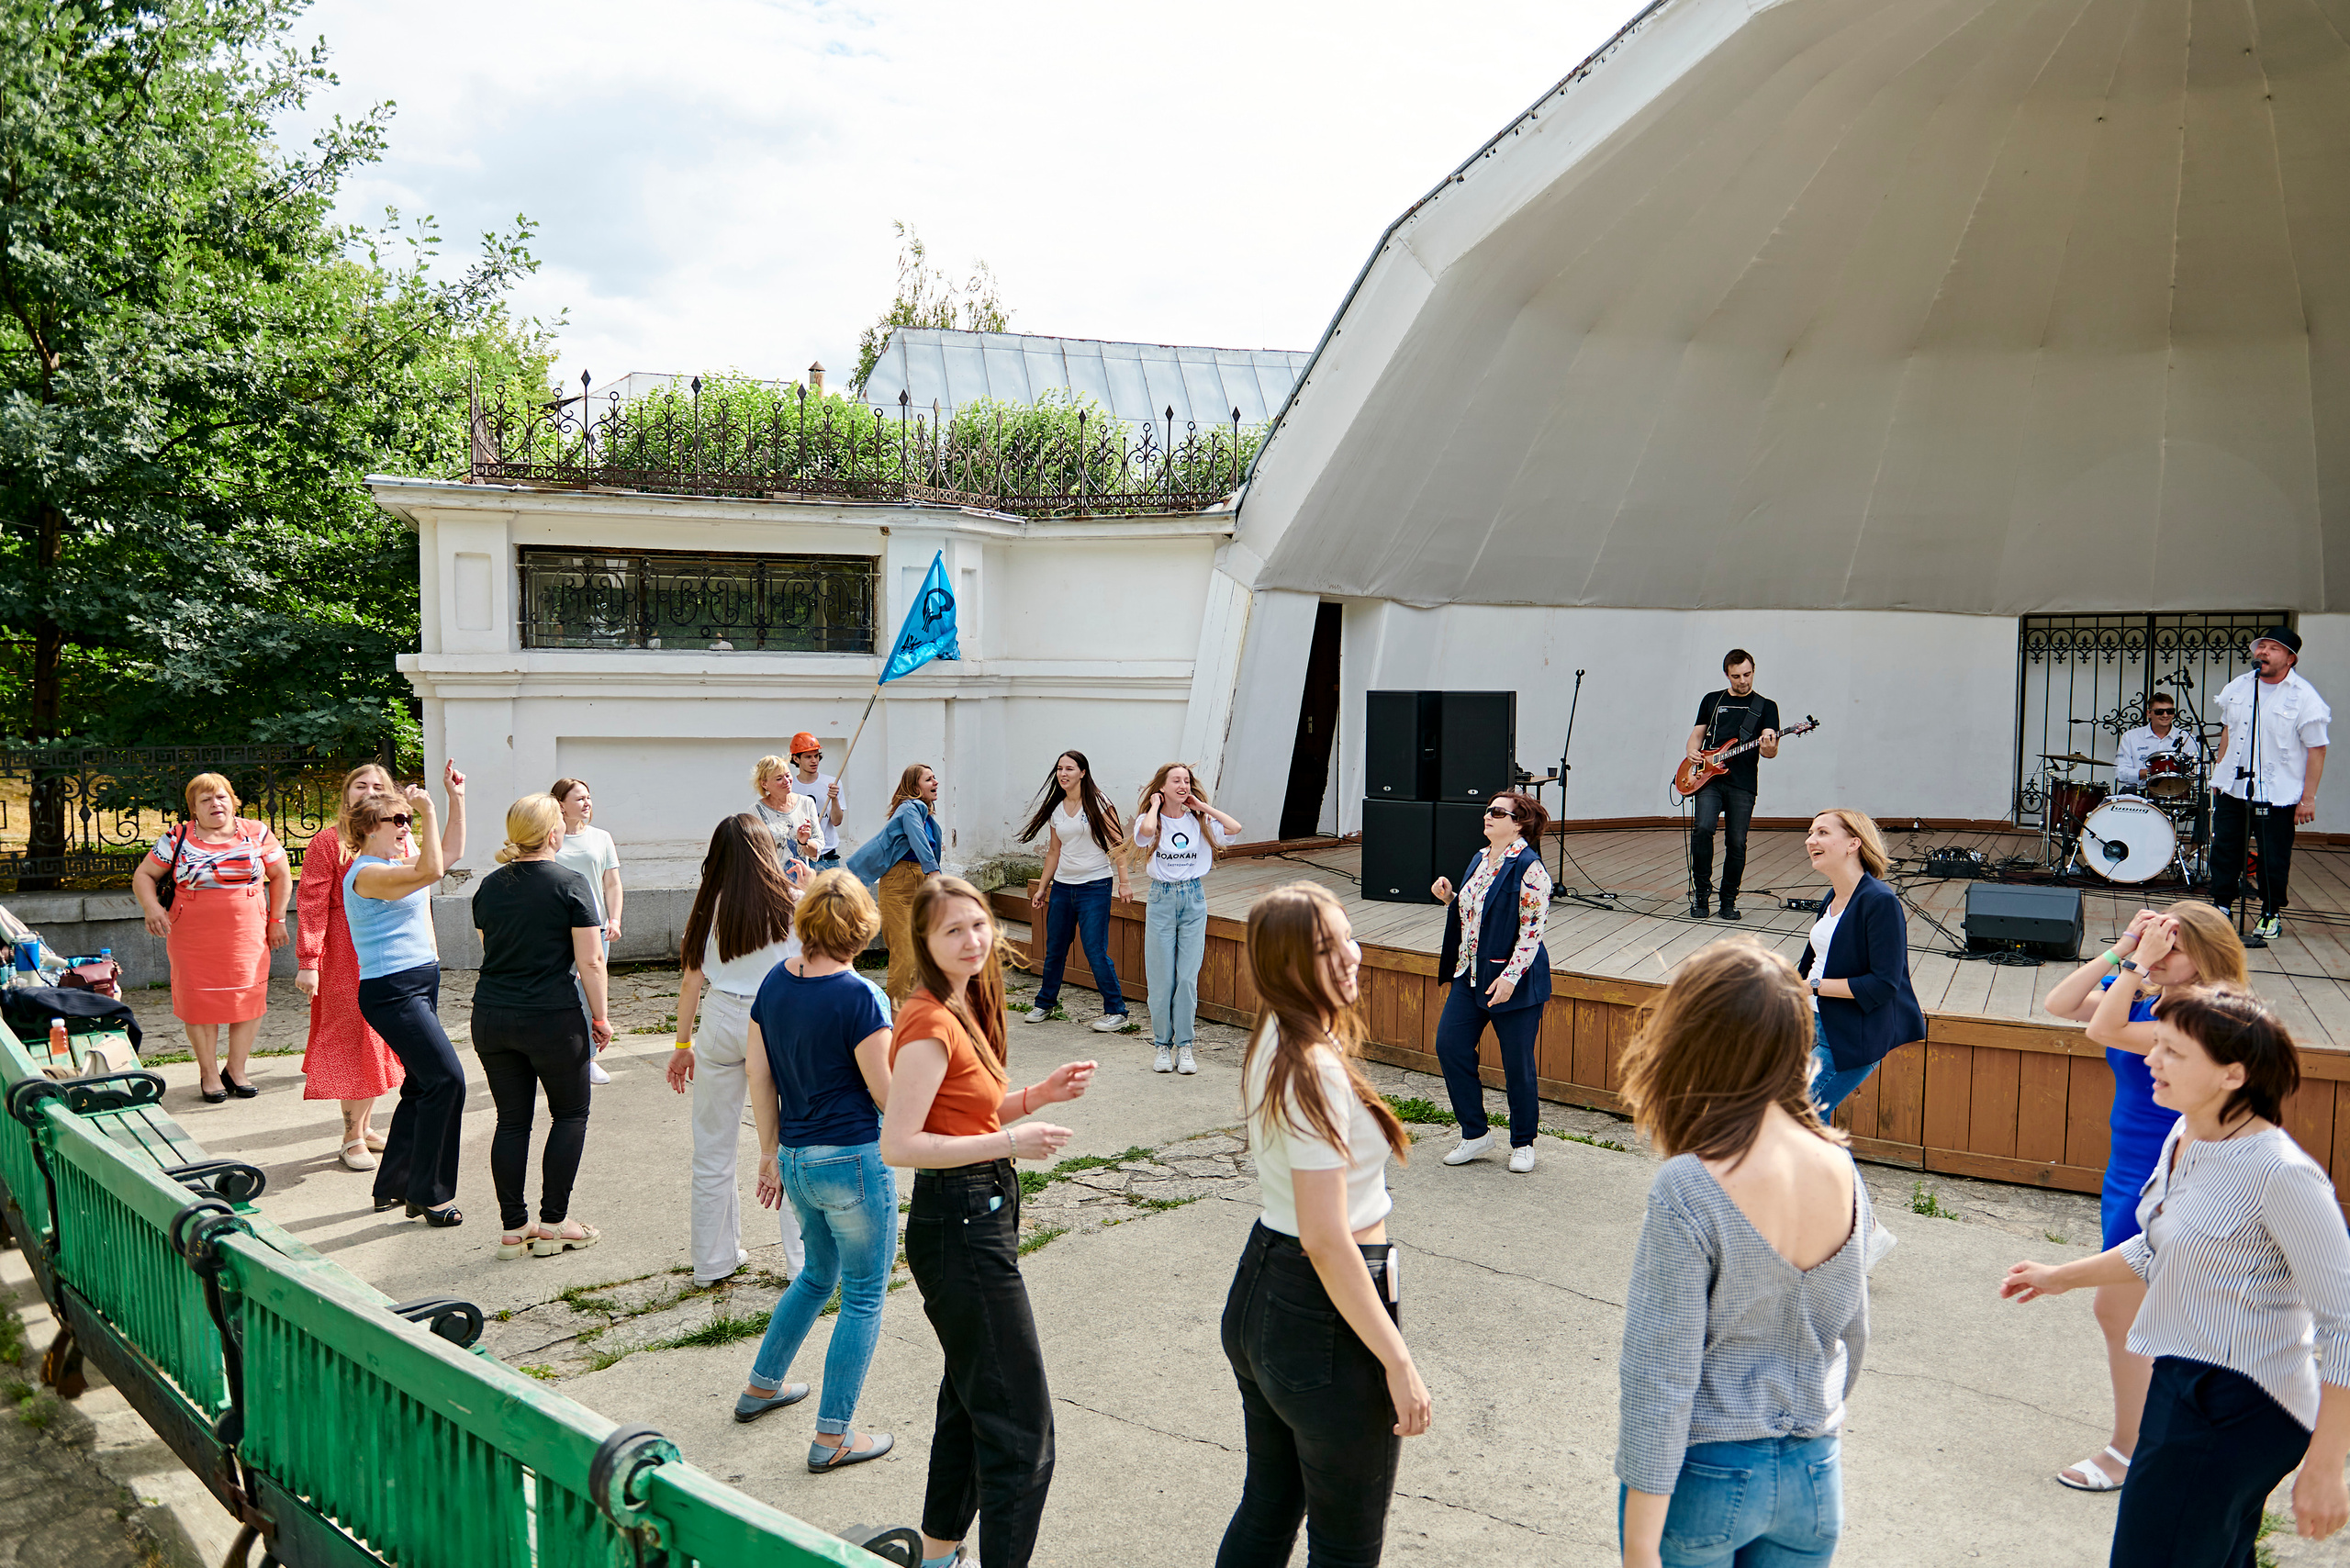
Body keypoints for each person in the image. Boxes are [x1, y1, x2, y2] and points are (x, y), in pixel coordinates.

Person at [2001, 988, 2350, 1564]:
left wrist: (2327, 1466)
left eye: (2173, 1052)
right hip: (2179, 1374)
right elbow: (2162, 1244)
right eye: (2156, 1043)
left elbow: (2344, 1323)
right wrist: (2061, 1276)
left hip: (2242, 1401)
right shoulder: (2186, 1133)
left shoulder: (2283, 1175)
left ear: (2233, 1075)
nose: (2150, 1059)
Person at [1616, 939, 1873, 1568]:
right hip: (1814, 1472)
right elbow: (1854, 1336)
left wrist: (1640, 1546)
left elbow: (1660, 1374)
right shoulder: (1840, 1168)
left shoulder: (1688, 1185)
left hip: (1708, 1472)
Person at [878, 874, 1097, 1568]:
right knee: (1023, 1433)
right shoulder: (927, 1022)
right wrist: (1008, 1142)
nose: (973, 939)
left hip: (979, 1215)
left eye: (978, 924)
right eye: (953, 930)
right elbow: (899, 1144)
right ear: (925, 941)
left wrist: (1036, 1096)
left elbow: (966, 1113)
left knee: (971, 1400)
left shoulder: (962, 1001)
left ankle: (939, 1552)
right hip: (960, 1223)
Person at [1218, 881, 1427, 1567]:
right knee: (1345, 1547)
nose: (1348, 957)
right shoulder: (1310, 1066)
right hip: (1320, 1310)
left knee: (1268, 1507)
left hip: (1267, 1288)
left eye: (1346, 937)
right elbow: (1326, 1237)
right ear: (1283, 965)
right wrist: (1398, 1362)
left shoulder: (1279, 1033)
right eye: (1322, 948)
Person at [2041, 902, 2250, 1493]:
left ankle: (2130, 1450)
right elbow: (2060, 1004)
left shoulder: (2210, 1016)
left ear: (2205, 957)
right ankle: (2165, 1439)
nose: (2158, 954)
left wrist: (2135, 967)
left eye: (2171, 947)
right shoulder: (2143, 992)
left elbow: (2102, 1031)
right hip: (2129, 1168)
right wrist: (2124, 948)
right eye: (2156, 941)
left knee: (2121, 1311)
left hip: (2176, 1171)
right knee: (2143, 1313)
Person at [736, 869, 897, 1472]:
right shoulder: (861, 997)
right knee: (863, 1295)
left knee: (815, 1275)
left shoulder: (775, 981)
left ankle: (761, 1385)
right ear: (861, 930)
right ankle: (832, 1438)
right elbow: (886, 1094)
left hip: (797, 1158)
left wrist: (768, 1151)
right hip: (852, 1158)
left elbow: (758, 1072)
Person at [297, 763, 464, 1170]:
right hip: (345, 956)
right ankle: (351, 1136)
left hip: (400, 960)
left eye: (378, 785)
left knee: (379, 1044)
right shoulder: (329, 842)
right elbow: (312, 902)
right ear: (347, 793)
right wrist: (309, 960)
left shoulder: (397, 839)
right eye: (361, 785)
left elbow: (444, 860)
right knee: (353, 1042)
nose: (369, 790)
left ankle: (366, 1125)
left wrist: (455, 798)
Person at [666, 814, 810, 1286]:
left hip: (721, 1017)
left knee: (712, 1146)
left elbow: (691, 982)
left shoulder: (708, 906)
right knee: (791, 1141)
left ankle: (712, 1261)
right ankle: (803, 1266)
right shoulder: (792, 903)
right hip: (777, 1017)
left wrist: (682, 1044)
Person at [472, 794, 610, 1260]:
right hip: (551, 1017)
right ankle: (553, 1223)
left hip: (492, 1015)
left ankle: (514, 1228)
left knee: (511, 1120)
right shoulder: (570, 884)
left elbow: (491, 948)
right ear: (553, 834)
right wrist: (601, 1017)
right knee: (569, 1115)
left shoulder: (489, 886)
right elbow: (591, 961)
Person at [345, 776, 470, 1226]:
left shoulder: (395, 865)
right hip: (393, 991)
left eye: (406, 819)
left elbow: (449, 855)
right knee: (447, 1081)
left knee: (421, 1085)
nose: (404, 825)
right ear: (367, 829)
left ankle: (394, 1184)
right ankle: (429, 1194)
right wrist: (427, 811)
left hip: (418, 983)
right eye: (395, 820)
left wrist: (455, 799)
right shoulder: (367, 873)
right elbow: (433, 871)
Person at [133, 773, 294, 1104]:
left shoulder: (257, 832)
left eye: (221, 797)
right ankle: (209, 1073)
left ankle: (236, 1070)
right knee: (199, 1003)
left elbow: (281, 875)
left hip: (247, 931)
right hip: (192, 934)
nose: (215, 804)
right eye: (205, 800)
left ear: (233, 801)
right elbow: (144, 874)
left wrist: (277, 920)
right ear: (193, 808)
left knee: (248, 998)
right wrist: (152, 908)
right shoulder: (177, 837)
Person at [1427, 790, 1554, 1172]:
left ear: (1518, 824)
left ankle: (1523, 1142)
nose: (1488, 815)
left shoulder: (1530, 868)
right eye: (1488, 810)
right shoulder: (1480, 858)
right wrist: (1451, 898)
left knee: (1517, 1063)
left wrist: (1510, 979)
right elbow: (1478, 915)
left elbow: (1531, 933)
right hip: (1470, 975)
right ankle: (1475, 1133)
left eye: (1498, 812)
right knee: (1450, 1046)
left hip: (1514, 981)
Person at [1796, 809, 1927, 1119]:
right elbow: (1816, 960)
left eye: (1823, 832)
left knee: (1796, 1119)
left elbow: (1883, 984)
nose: (1810, 840)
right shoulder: (1834, 896)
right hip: (1818, 1024)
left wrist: (1810, 986)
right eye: (1811, 833)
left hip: (1851, 1035)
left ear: (1853, 843)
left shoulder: (1879, 901)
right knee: (1808, 1126)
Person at [2210, 626, 2330, 942]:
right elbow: (2227, 730)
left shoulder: (2303, 696)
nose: (2263, 652)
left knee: (2272, 855)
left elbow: (2317, 749)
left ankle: (2270, 911)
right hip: (2234, 786)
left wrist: (2308, 798)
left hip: (2277, 792)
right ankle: (2222, 906)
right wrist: (2220, 771)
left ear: (2290, 659)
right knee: (2225, 849)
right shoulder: (2240, 685)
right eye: (2261, 646)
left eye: (2273, 648)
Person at [1133, 763, 1244, 1075]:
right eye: (1176, 781)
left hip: (1193, 898)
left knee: (1186, 978)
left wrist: (1202, 806)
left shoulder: (1199, 820)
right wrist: (1155, 805)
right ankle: (1162, 1045)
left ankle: (1185, 1045)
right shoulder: (1150, 820)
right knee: (1161, 980)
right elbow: (1144, 834)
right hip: (1161, 899)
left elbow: (1234, 828)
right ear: (1162, 786)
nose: (1183, 785)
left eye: (1187, 781)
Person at [1018, 750, 1132, 1034]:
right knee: (1055, 947)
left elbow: (1117, 845)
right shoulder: (1056, 808)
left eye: (1069, 768)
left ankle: (1117, 1011)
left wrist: (1124, 882)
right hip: (1062, 887)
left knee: (1094, 949)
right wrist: (1042, 887)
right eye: (1059, 769)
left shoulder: (1099, 802)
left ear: (1083, 772)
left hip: (1095, 886)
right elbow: (1054, 851)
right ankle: (1045, 1003)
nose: (1063, 773)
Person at [1684, 649, 1782, 921]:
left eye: (1747, 674)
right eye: (1736, 676)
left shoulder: (1766, 706)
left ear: (1753, 671)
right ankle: (1701, 893)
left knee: (1737, 841)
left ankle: (1728, 899)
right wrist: (1692, 751)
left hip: (1743, 782)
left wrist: (1770, 746)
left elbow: (1769, 749)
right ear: (1726, 674)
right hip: (1708, 778)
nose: (1743, 681)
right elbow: (1697, 735)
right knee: (1703, 828)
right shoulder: (1712, 700)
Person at [847, 763, 943, 1002]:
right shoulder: (910, 808)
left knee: (921, 952)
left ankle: (916, 1010)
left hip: (920, 880)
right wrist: (935, 872)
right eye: (929, 779)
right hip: (900, 882)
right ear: (914, 787)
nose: (935, 782)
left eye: (934, 778)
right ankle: (895, 1014)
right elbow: (918, 840)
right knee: (904, 953)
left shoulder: (928, 817)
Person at [550, 778, 623, 1084]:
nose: (587, 803)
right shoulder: (550, 838)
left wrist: (614, 919)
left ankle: (588, 1059)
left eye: (588, 797)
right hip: (559, 929)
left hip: (595, 928)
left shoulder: (601, 837)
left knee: (591, 995)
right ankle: (559, 1055)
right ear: (561, 804)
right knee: (562, 993)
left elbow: (612, 883)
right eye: (579, 798)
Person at [2114, 692, 2206, 794]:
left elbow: (2199, 771)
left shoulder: (2188, 738)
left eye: (2170, 711)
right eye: (2159, 712)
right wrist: (2152, 772)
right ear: (2149, 713)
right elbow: (2120, 773)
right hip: (2140, 793)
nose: (2165, 715)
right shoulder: (2130, 736)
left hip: (2177, 793)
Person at [751, 755, 822, 866]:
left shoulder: (806, 803)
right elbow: (754, 855)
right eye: (779, 778)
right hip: (773, 875)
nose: (786, 781)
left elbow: (816, 851)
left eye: (788, 775)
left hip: (803, 875)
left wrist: (804, 842)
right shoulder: (755, 812)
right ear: (764, 784)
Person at [789, 733, 846, 865]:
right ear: (796, 759)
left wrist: (834, 799)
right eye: (808, 757)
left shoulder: (832, 783)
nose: (814, 761)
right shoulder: (790, 787)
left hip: (828, 858)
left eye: (816, 756)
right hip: (800, 858)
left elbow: (837, 821)